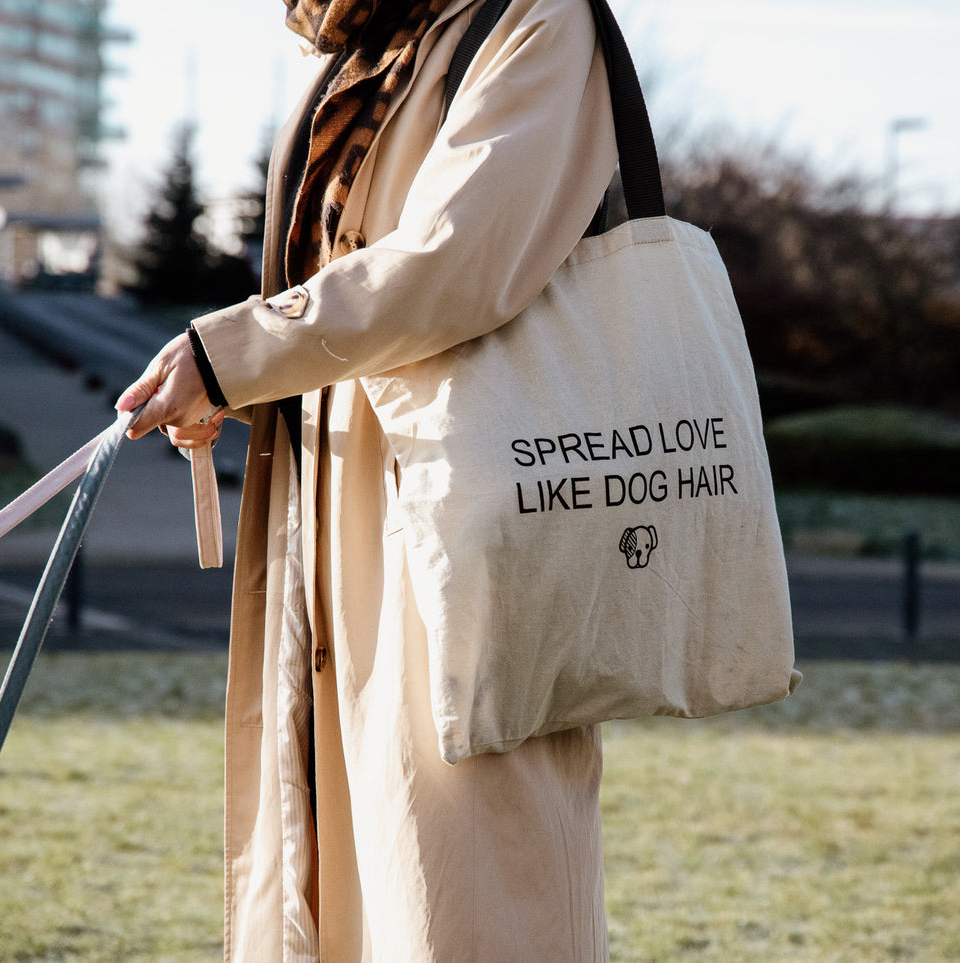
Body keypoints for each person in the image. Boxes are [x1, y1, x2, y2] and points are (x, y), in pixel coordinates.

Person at [114, 0, 618, 959]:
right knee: (332, 876)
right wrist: (248, 382)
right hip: (325, 522)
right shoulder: (350, 46)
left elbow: (456, 262)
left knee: (465, 888)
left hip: (464, 526)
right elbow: (347, 280)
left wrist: (239, 354)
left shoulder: (536, 21)